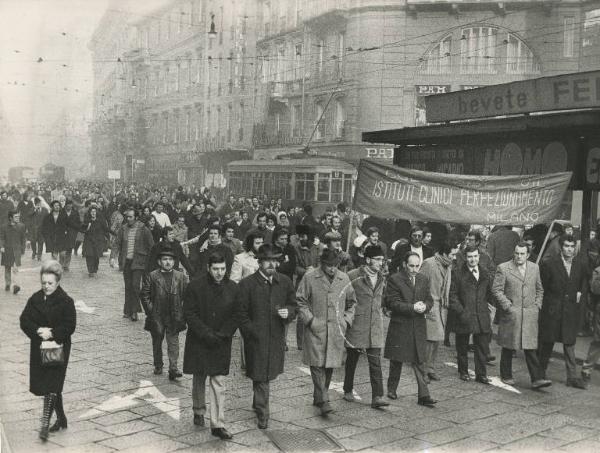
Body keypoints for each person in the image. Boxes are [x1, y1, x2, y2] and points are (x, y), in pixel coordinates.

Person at [235, 244, 296, 429]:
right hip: (256, 337)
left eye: (275, 260)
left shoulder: (284, 281)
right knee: (260, 373)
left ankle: (257, 401)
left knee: (267, 374)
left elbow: (293, 304)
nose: (271, 264)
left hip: (276, 336)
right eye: (267, 260)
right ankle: (263, 412)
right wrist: (250, 332)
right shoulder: (247, 284)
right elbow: (241, 313)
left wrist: (290, 312)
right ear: (259, 262)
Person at [183, 252, 238, 439]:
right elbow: (189, 313)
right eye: (215, 269)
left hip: (221, 341)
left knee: (218, 381)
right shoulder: (195, 286)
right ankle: (198, 410)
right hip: (200, 339)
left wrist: (223, 333)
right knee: (199, 375)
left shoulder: (233, 288)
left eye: (223, 269)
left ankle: (218, 424)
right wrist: (206, 333)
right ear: (208, 268)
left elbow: (237, 314)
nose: (219, 273)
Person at [19, 260, 76, 441]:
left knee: (53, 383)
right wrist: (37, 331)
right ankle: (61, 418)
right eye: (43, 283)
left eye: (50, 283)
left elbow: (70, 325)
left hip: (58, 347)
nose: (46, 286)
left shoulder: (66, 301)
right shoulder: (35, 299)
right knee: (48, 385)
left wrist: (52, 332)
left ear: (58, 282)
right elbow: (24, 320)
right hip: (39, 347)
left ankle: (44, 424)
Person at [296, 249, 357, 416]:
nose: (332, 269)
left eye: (335, 265)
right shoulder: (310, 277)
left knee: (329, 365)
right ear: (322, 264)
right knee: (316, 365)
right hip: (316, 328)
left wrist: (346, 320)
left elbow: (352, 302)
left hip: (336, 329)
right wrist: (310, 320)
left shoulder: (343, 278)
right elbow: (300, 300)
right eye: (329, 265)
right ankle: (324, 399)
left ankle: (319, 397)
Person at [492, 242, 551, 389]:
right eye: (517, 253)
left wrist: (537, 306)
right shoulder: (503, 268)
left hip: (530, 314)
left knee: (530, 347)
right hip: (512, 314)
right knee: (508, 346)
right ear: (514, 253)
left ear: (528, 255)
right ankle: (506, 375)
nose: (519, 256)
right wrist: (508, 306)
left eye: (522, 254)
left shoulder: (534, 268)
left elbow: (540, 289)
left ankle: (537, 379)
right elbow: (497, 290)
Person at [384, 252, 436, 407]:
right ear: (405, 265)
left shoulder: (423, 279)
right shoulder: (395, 279)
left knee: (420, 360)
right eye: (411, 265)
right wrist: (412, 307)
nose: (414, 269)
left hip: (418, 324)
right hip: (401, 324)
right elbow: (392, 303)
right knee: (397, 360)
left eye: (417, 266)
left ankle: (424, 395)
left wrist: (425, 306)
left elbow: (429, 299)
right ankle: (391, 389)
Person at [538, 234, 588, 389]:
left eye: (572, 247)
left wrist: (579, 294)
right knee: (547, 342)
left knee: (569, 343)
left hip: (570, 309)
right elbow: (543, 288)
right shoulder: (549, 264)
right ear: (561, 247)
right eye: (567, 246)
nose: (570, 249)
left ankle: (572, 377)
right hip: (552, 309)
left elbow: (582, 283)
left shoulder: (580, 264)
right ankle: (540, 373)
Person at [344, 245, 389, 409]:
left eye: (382, 260)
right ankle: (347, 388)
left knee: (375, 362)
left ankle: (377, 396)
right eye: (377, 259)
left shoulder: (382, 277)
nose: (380, 263)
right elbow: (344, 298)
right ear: (368, 260)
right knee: (352, 360)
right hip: (357, 325)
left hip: (375, 325)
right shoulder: (353, 276)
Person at [141, 245, 188, 380]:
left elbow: (187, 296)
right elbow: (144, 295)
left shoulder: (181, 277)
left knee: (173, 342)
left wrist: (182, 311)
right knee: (157, 340)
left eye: (170, 259)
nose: (168, 262)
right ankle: (158, 364)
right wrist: (151, 311)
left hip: (174, 314)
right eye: (165, 259)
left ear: (174, 262)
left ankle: (173, 368)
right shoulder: (152, 276)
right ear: (159, 262)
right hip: (157, 315)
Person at [448, 246, 493, 384]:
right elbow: (453, 296)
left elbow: (489, 293)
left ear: (479, 256)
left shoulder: (485, 272)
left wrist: (488, 308)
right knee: (462, 345)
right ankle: (463, 371)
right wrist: (461, 311)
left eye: (475, 256)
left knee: (482, 346)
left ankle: (481, 374)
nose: (473, 259)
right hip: (464, 314)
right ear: (465, 258)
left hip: (481, 314)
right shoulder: (457, 273)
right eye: (469, 257)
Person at [419, 242, 458, 382]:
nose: (454, 257)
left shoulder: (448, 265)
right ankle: (422, 370)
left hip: (442, 307)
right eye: (452, 254)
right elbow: (419, 283)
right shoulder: (429, 263)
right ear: (444, 253)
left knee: (436, 341)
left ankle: (430, 368)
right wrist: (423, 304)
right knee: (429, 340)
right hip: (430, 305)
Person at [110, 208, 155, 321]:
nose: (128, 219)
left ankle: (134, 311)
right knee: (128, 286)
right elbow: (116, 244)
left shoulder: (143, 229)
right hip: (127, 262)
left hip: (139, 262)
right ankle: (127, 311)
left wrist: (150, 262)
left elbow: (152, 246)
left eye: (130, 217)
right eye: (127, 217)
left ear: (136, 217)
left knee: (135, 286)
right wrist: (112, 257)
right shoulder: (123, 228)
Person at [1, 210, 26, 294]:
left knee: (15, 268)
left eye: (18, 216)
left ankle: (16, 285)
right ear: (10, 218)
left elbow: (23, 238)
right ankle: (8, 283)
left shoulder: (21, 226)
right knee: (7, 267)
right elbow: (1, 238)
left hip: (16, 250)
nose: (18, 218)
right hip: (7, 249)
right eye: (16, 217)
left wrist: (23, 249)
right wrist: (1, 246)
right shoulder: (4, 227)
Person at [81, 206, 110, 278]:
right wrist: (88, 226)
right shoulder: (87, 220)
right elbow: (82, 230)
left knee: (96, 256)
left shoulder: (100, 220)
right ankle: (90, 271)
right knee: (89, 255)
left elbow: (106, 229)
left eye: (94, 212)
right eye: (92, 212)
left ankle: (95, 270)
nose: (93, 213)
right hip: (89, 240)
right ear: (90, 213)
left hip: (98, 241)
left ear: (96, 212)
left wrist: (110, 236)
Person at [62, 199, 81, 272]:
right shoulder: (61, 212)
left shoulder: (75, 213)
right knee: (62, 250)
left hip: (71, 234)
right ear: (65, 205)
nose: (69, 206)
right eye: (68, 205)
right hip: (63, 234)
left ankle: (66, 265)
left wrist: (75, 230)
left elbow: (78, 223)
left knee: (69, 250)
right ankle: (61, 264)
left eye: (70, 205)